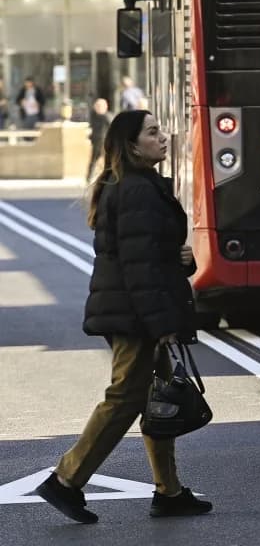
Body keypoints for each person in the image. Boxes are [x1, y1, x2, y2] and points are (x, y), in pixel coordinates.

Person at [35, 110, 212, 524]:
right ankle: (66, 479)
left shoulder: (137, 185)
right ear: (132, 146)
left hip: (136, 310)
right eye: (152, 132)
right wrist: (162, 324)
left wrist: (178, 259)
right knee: (126, 399)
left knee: (160, 398)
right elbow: (139, 269)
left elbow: (150, 255)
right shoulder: (135, 190)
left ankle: (169, 492)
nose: (163, 137)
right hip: (135, 316)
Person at [86, 98, 112, 180]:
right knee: (94, 160)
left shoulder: (107, 116)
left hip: (106, 141)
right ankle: (89, 177)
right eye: (97, 106)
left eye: (100, 106)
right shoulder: (93, 116)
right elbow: (92, 128)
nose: (98, 108)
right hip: (96, 142)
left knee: (109, 160)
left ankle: (110, 177)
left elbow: (113, 128)